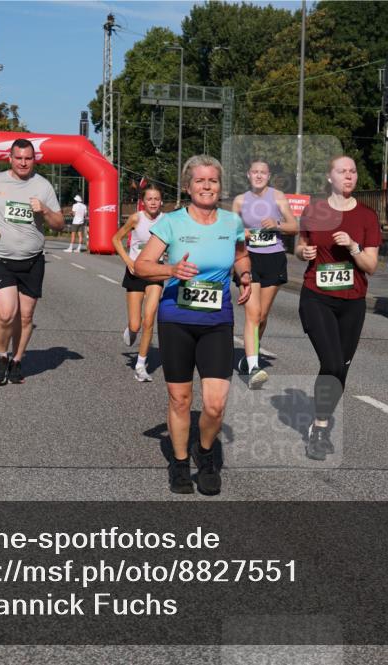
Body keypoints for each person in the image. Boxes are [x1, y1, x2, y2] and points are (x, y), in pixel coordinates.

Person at [134, 155, 251, 495]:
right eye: (200, 180)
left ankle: (205, 451)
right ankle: (181, 462)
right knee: (181, 399)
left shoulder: (231, 222)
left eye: (212, 180)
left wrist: (244, 274)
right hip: (177, 320)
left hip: (216, 321)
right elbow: (142, 266)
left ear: (220, 186)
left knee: (215, 404)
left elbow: (241, 255)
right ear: (188, 187)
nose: (207, 186)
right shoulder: (171, 223)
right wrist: (171, 270)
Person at [295, 155, 380, 461]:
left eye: (353, 171)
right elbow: (299, 247)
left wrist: (354, 247)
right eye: (342, 171)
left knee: (340, 367)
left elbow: (371, 265)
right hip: (317, 296)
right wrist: (303, 252)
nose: (349, 176)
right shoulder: (314, 211)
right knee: (330, 363)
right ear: (329, 177)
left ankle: (319, 424)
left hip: (352, 302)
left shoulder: (367, 216)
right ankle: (320, 430)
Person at [0, 138, 64, 385]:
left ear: (34, 160)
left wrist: (45, 210)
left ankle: (17, 360)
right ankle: (1, 356)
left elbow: (59, 224)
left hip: (32, 261)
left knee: (25, 317)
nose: (23, 162)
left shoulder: (43, 186)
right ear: (10, 158)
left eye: (28, 158)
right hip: (0, 258)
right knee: (5, 314)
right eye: (19, 158)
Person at [232, 159, 298, 389]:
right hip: (248, 258)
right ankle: (253, 367)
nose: (259, 176)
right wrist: (241, 232)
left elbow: (294, 227)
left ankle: (250, 355)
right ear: (248, 175)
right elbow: (230, 229)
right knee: (253, 313)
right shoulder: (240, 200)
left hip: (273, 258)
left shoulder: (278, 196)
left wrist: (277, 224)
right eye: (255, 172)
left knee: (262, 316)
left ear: (268, 176)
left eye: (263, 172)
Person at [112, 184, 165, 381]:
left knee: (149, 319)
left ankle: (141, 365)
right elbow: (116, 239)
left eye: (156, 199)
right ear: (143, 202)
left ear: (161, 202)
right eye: (149, 199)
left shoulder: (166, 220)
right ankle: (131, 330)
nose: (153, 202)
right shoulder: (136, 218)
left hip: (155, 273)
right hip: (135, 272)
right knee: (135, 325)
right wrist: (128, 261)